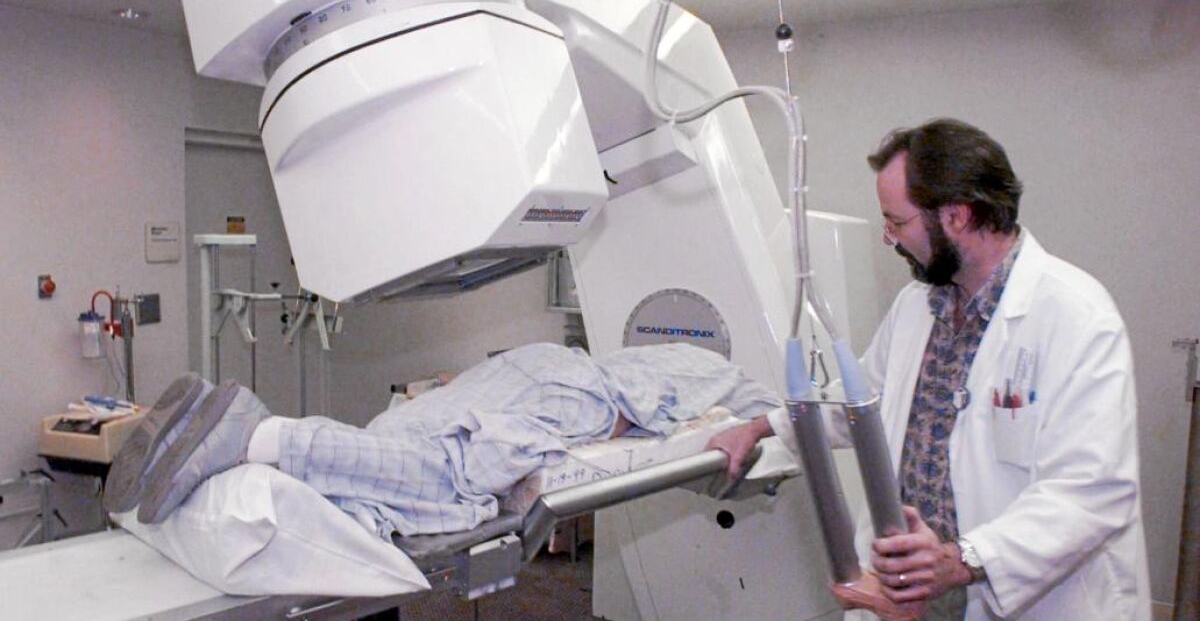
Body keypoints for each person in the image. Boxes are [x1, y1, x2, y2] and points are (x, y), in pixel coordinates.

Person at [707, 119, 1149, 620]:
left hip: (1024, 592)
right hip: (920, 595)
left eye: (896, 223)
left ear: (957, 216)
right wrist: (759, 428)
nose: (889, 239)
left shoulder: (1077, 316)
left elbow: (1091, 491)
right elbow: (859, 402)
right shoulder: (918, 305)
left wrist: (962, 560)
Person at [104, 342, 779, 537]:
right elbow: (650, 408)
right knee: (447, 478)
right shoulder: (744, 389)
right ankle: (254, 433)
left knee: (394, 442)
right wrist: (747, 431)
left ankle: (206, 449)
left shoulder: (685, 355)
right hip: (576, 394)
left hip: (531, 364)